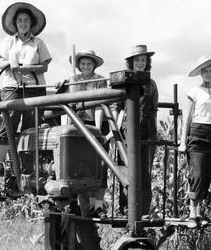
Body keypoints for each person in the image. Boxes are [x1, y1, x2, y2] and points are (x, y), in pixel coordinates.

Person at [0, 2, 52, 177]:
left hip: (34, 86)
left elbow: (44, 66)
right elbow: (1, 63)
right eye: (20, 21)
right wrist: (11, 63)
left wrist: (29, 68)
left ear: (31, 24)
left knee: (31, 125)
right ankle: (0, 163)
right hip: (12, 85)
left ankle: (28, 165)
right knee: (9, 120)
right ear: (15, 24)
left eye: (26, 20)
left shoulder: (39, 42)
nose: (23, 23)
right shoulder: (8, 42)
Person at [179, 55, 211, 226]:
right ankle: (192, 213)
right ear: (200, 73)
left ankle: (200, 214)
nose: (209, 74)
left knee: (207, 174)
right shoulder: (193, 93)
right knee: (197, 173)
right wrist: (183, 141)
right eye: (205, 71)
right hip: (197, 133)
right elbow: (187, 119)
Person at [115, 45, 159, 216]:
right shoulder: (124, 82)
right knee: (126, 168)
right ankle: (126, 209)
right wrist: (115, 131)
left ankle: (143, 210)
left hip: (147, 127)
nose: (140, 63)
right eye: (137, 60)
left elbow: (153, 109)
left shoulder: (151, 83)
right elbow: (118, 107)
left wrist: (153, 132)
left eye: (143, 60)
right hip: (127, 127)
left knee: (144, 171)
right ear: (131, 63)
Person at [63, 49, 108, 215]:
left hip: (95, 122)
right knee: (81, 166)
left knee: (100, 164)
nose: (86, 66)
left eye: (89, 63)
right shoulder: (73, 80)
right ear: (78, 65)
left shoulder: (100, 80)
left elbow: (99, 105)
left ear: (94, 65)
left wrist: (96, 131)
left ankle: (98, 205)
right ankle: (87, 205)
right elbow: (70, 105)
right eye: (82, 63)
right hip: (77, 125)